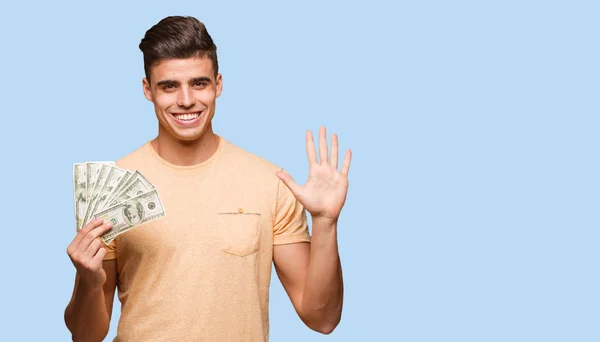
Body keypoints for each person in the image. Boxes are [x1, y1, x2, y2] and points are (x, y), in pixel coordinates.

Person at [65, 15, 351, 342]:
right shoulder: (115, 188)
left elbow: (322, 318)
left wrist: (325, 222)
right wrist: (88, 281)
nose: (186, 100)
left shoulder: (269, 183)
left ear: (218, 84)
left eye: (198, 83)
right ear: (148, 90)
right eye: (169, 86)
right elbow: (86, 336)